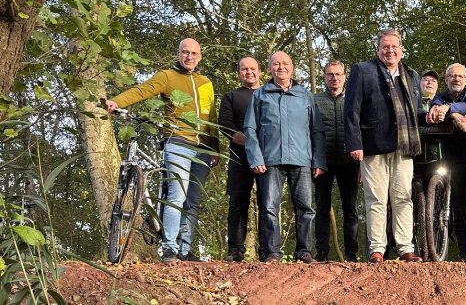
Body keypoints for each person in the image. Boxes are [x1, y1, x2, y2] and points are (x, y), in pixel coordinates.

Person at [105, 38, 219, 263]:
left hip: (203, 148)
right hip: (178, 142)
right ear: (178, 54)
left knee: (193, 201)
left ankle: (184, 251)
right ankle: (169, 248)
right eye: (185, 52)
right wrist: (116, 101)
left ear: (200, 57)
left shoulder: (206, 82)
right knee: (177, 196)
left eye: (194, 53)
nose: (189, 57)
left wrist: (215, 147)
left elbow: (211, 116)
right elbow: (142, 90)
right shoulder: (167, 76)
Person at [344, 29, 425, 264]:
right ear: (378, 49)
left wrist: (431, 116)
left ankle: (405, 248)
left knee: (403, 197)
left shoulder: (411, 74)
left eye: (394, 47)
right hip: (373, 145)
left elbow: (416, 111)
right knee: (376, 199)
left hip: (405, 145)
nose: (390, 51)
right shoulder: (363, 70)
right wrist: (355, 143)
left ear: (401, 49)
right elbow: (351, 110)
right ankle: (377, 249)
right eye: (385, 47)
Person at [244, 51, 326, 263]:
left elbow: (316, 130)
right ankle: (272, 253)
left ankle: (304, 252)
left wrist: (318, 160)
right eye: (276, 63)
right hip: (270, 160)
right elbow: (250, 129)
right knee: (270, 206)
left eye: (285, 63)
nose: (281, 67)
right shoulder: (260, 94)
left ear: (293, 67)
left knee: (306, 208)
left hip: (302, 160)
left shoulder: (305, 95)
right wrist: (256, 158)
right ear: (270, 68)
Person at [429, 63, 466, 263]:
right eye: (452, 75)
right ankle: (464, 253)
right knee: (458, 208)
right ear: (446, 79)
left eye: (461, 76)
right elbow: (434, 110)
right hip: (452, 160)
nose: (456, 79)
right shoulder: (439, 98)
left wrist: (449, 109)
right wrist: (454, 115)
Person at [314, 60, 360, 262]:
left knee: (350, 209)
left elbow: (360, 131)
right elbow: (309, 132)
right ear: (324, 77)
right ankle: (321, 253)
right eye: (330, 74)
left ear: (344, 76)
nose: (334, 78)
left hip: (349, 163)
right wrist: (314, 161)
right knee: (321, 208)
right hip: (323, 163)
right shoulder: (314, 100)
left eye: (338, 74)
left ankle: (352, 254)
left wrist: (361, 165)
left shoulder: (353, 99)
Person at [218, 56, 261, 262]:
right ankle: (235, 249)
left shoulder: (268, 94)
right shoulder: (231, 96)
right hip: (239, 157)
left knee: (268, 203)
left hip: (266, 157)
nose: (249, 72)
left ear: (260, 71)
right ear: (239, 73)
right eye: (244, 69)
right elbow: (225, 124)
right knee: (237, 202)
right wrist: (248, 142)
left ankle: (268, 251)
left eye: (253, 68)